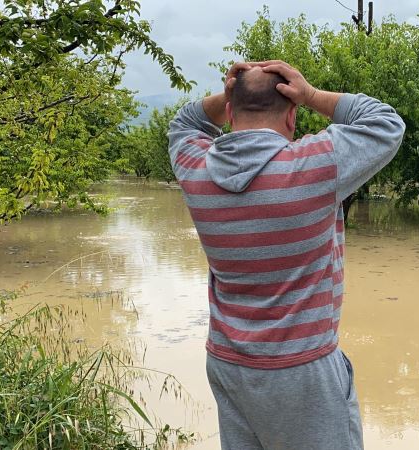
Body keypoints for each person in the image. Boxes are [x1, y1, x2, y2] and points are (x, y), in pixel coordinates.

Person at [167, 60, 405, 450]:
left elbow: (185, 124)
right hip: (303, 368)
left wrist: (230, 91)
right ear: (292, 115)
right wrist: (311, 94)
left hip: (228, 363)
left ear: (229, 112)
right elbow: (384, 121)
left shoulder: (197, 170)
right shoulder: (315, 165)